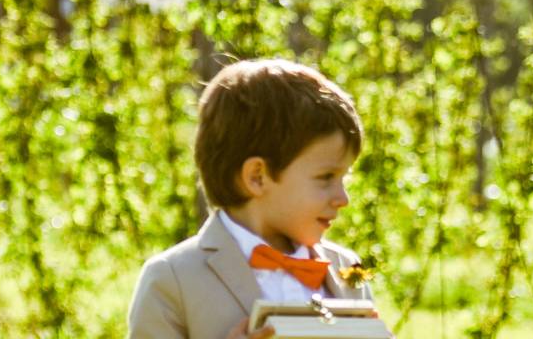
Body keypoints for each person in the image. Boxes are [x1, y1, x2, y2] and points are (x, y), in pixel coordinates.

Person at [127, 59, 374, 338]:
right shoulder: (172, 279)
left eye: (345, 178)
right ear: (257, 177)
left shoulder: (346, 268)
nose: (343, 198)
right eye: (326, 177)